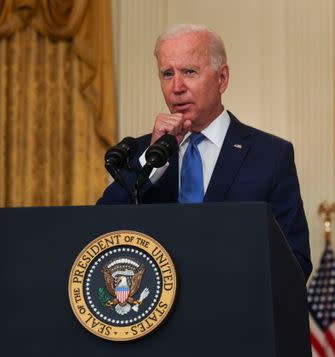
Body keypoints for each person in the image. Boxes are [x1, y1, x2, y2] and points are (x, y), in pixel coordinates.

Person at [97, 24, 312, 280]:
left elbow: (295, 260)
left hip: (235, 312)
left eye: (189, 71)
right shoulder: (143, 153)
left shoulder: (271, 155)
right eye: (167, 74)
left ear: (222, 79)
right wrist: (151, 163)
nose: (177, 87)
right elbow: (100, 231)